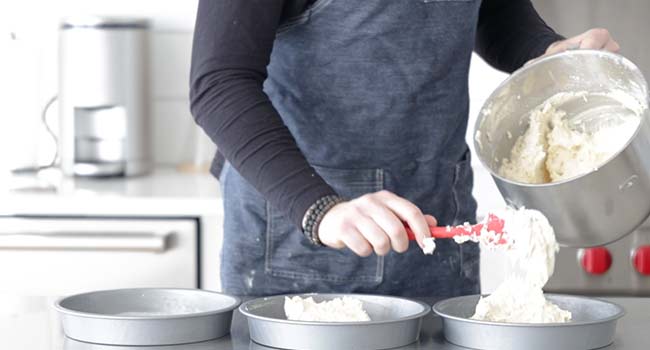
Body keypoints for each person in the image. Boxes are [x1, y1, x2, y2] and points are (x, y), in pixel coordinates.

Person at [190, 0, 619, 297]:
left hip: (437, 225)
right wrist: (322, 209)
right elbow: (219, 83)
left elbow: (494, 13)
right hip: (303, 238)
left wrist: (545, 50)